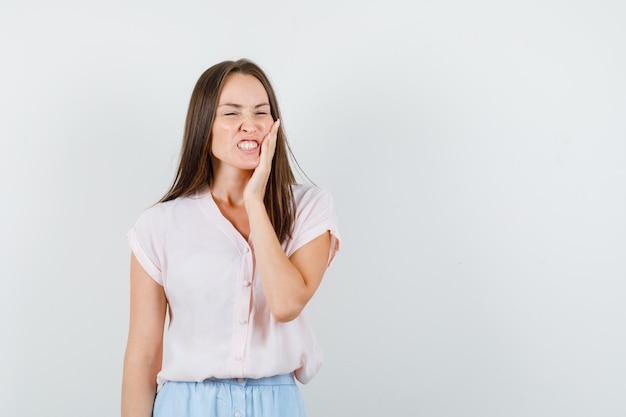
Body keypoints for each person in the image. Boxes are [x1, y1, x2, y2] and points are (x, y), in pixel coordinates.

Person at [121, 59, 340, 417]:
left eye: (260, 112)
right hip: (185, 404)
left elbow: (286, 303)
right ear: (203, 126)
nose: (249, 125)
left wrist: (255, 200)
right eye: (231, 113)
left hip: (276, 403)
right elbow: (143, 358)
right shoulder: (158, 225)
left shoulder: (310, 207)